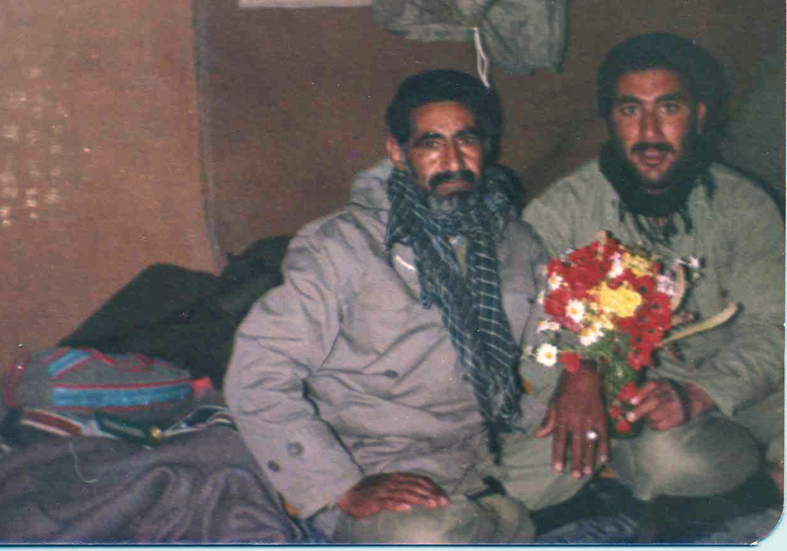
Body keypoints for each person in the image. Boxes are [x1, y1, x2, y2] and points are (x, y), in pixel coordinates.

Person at [522, 32, 783, 507]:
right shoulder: (560, 212)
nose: (648, 132)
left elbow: (774, 325)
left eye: (668, 108)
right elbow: (528, 326)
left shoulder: (744, 204)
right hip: (640, 401)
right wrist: (582, 370)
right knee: (671, 462)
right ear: (609, 119)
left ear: (698, 116)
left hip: (741, 381)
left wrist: (702, 392)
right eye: (629, 110)